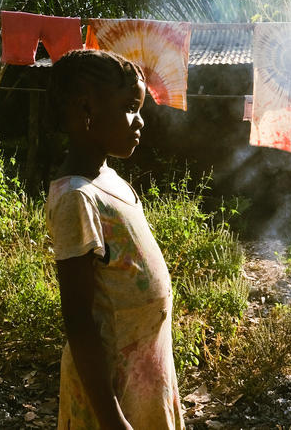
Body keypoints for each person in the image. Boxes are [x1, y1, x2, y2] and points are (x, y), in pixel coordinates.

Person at [45, 49, 183, 429]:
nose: (140, 121)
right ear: (87, 108)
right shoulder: (77, 197)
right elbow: (78, 320)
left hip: (143, 377)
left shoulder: (107, 178)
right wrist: (112, 419)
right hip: (110, 393)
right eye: (129, 107)